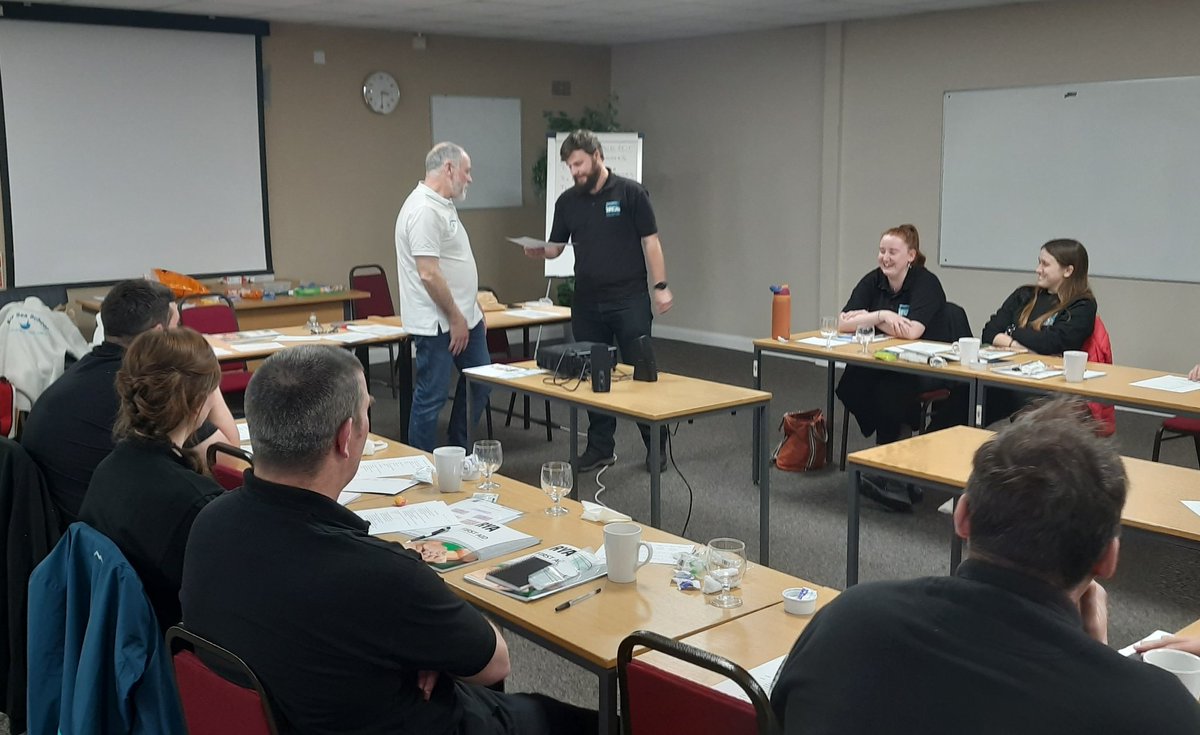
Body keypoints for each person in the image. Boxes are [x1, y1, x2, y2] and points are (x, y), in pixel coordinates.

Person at [181, 346, 596, 734]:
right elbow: (493, 662)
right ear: (346, 437)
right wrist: (428, 641)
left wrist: (416, 641)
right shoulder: (377, 573)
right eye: (366, 412)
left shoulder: (209, 522)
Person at [770, 398, 1200, 735]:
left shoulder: (848, 620)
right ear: (1109, 558)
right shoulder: (1158, 713)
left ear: (962, 516)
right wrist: (1099, 660)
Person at [21, 279, 236, 527]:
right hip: (115, 538)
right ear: (158, 335)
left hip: (74, 535)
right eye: (177, 327)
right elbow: (229, 463)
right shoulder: (149, 388)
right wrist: (204, 370)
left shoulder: (77, 376)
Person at [527, 129, 673, 472]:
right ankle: (600, 447)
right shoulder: (567, 202)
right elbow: (556, 247)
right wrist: (538, 251)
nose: (574, 171)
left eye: (578, 163)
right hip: (588, 302)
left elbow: (651, 242)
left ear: (597, 156)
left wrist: (661, 285)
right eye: (569, 166)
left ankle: (656, 447)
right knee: (594, 377)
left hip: (629, 299)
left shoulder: (631, 193)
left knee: (642, 374)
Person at [78, 327, 224, 632]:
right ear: (199, 403)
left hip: (114, 638)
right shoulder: (197, 503)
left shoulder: (110, 467)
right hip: (165, 652)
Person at [835, 224, 948, 510]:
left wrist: (868, 319)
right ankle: (895, 470)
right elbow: (842, 323)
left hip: (929, 366)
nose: (885, 257)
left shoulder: (926, 283)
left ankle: (892, 472)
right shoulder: (874, 280)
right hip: (885, 361)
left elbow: (912, 332)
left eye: (893, 252)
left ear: (910, 255)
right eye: (882, 251)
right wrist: (882, 314)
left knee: (892, 390)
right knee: (852, 381)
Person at [396, 142, 491, 452]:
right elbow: (429, 273)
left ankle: (457, 450)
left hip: (464, 317)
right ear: (449, 168)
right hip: (439, 322)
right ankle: (420, 463)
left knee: (481, 381)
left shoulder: (442, 203)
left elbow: (452, 263)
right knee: (432, 395)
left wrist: (472, 308)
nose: (470, 179)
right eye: (467, 171)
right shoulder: (423, 209)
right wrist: (455, 317)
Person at [980, 238, 1096, 423]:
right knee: (965, 397)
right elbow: (989, 331)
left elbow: (1054, 342)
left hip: (1048, 387)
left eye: (1045, 264)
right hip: (1005, 375)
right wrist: (1020, 345)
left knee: (1027, 420)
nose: (1037, 269)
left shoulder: (1082, 305)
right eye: (1039, 262)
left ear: (1068, 270)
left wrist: (1011, 332)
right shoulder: (1024, 294)